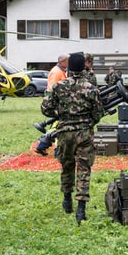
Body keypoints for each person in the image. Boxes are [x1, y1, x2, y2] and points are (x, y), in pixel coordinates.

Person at [41, 52, 103, 223]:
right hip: (84, 133)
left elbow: (45, 109)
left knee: (67, 166)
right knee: (84, 169)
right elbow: (98, 114)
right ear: (84, 67)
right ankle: (81, 209)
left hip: (64, 133)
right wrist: (87, 121)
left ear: (68, 68)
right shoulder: (91, 88)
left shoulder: (58, 87)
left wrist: (60, 114)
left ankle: (67, 200)